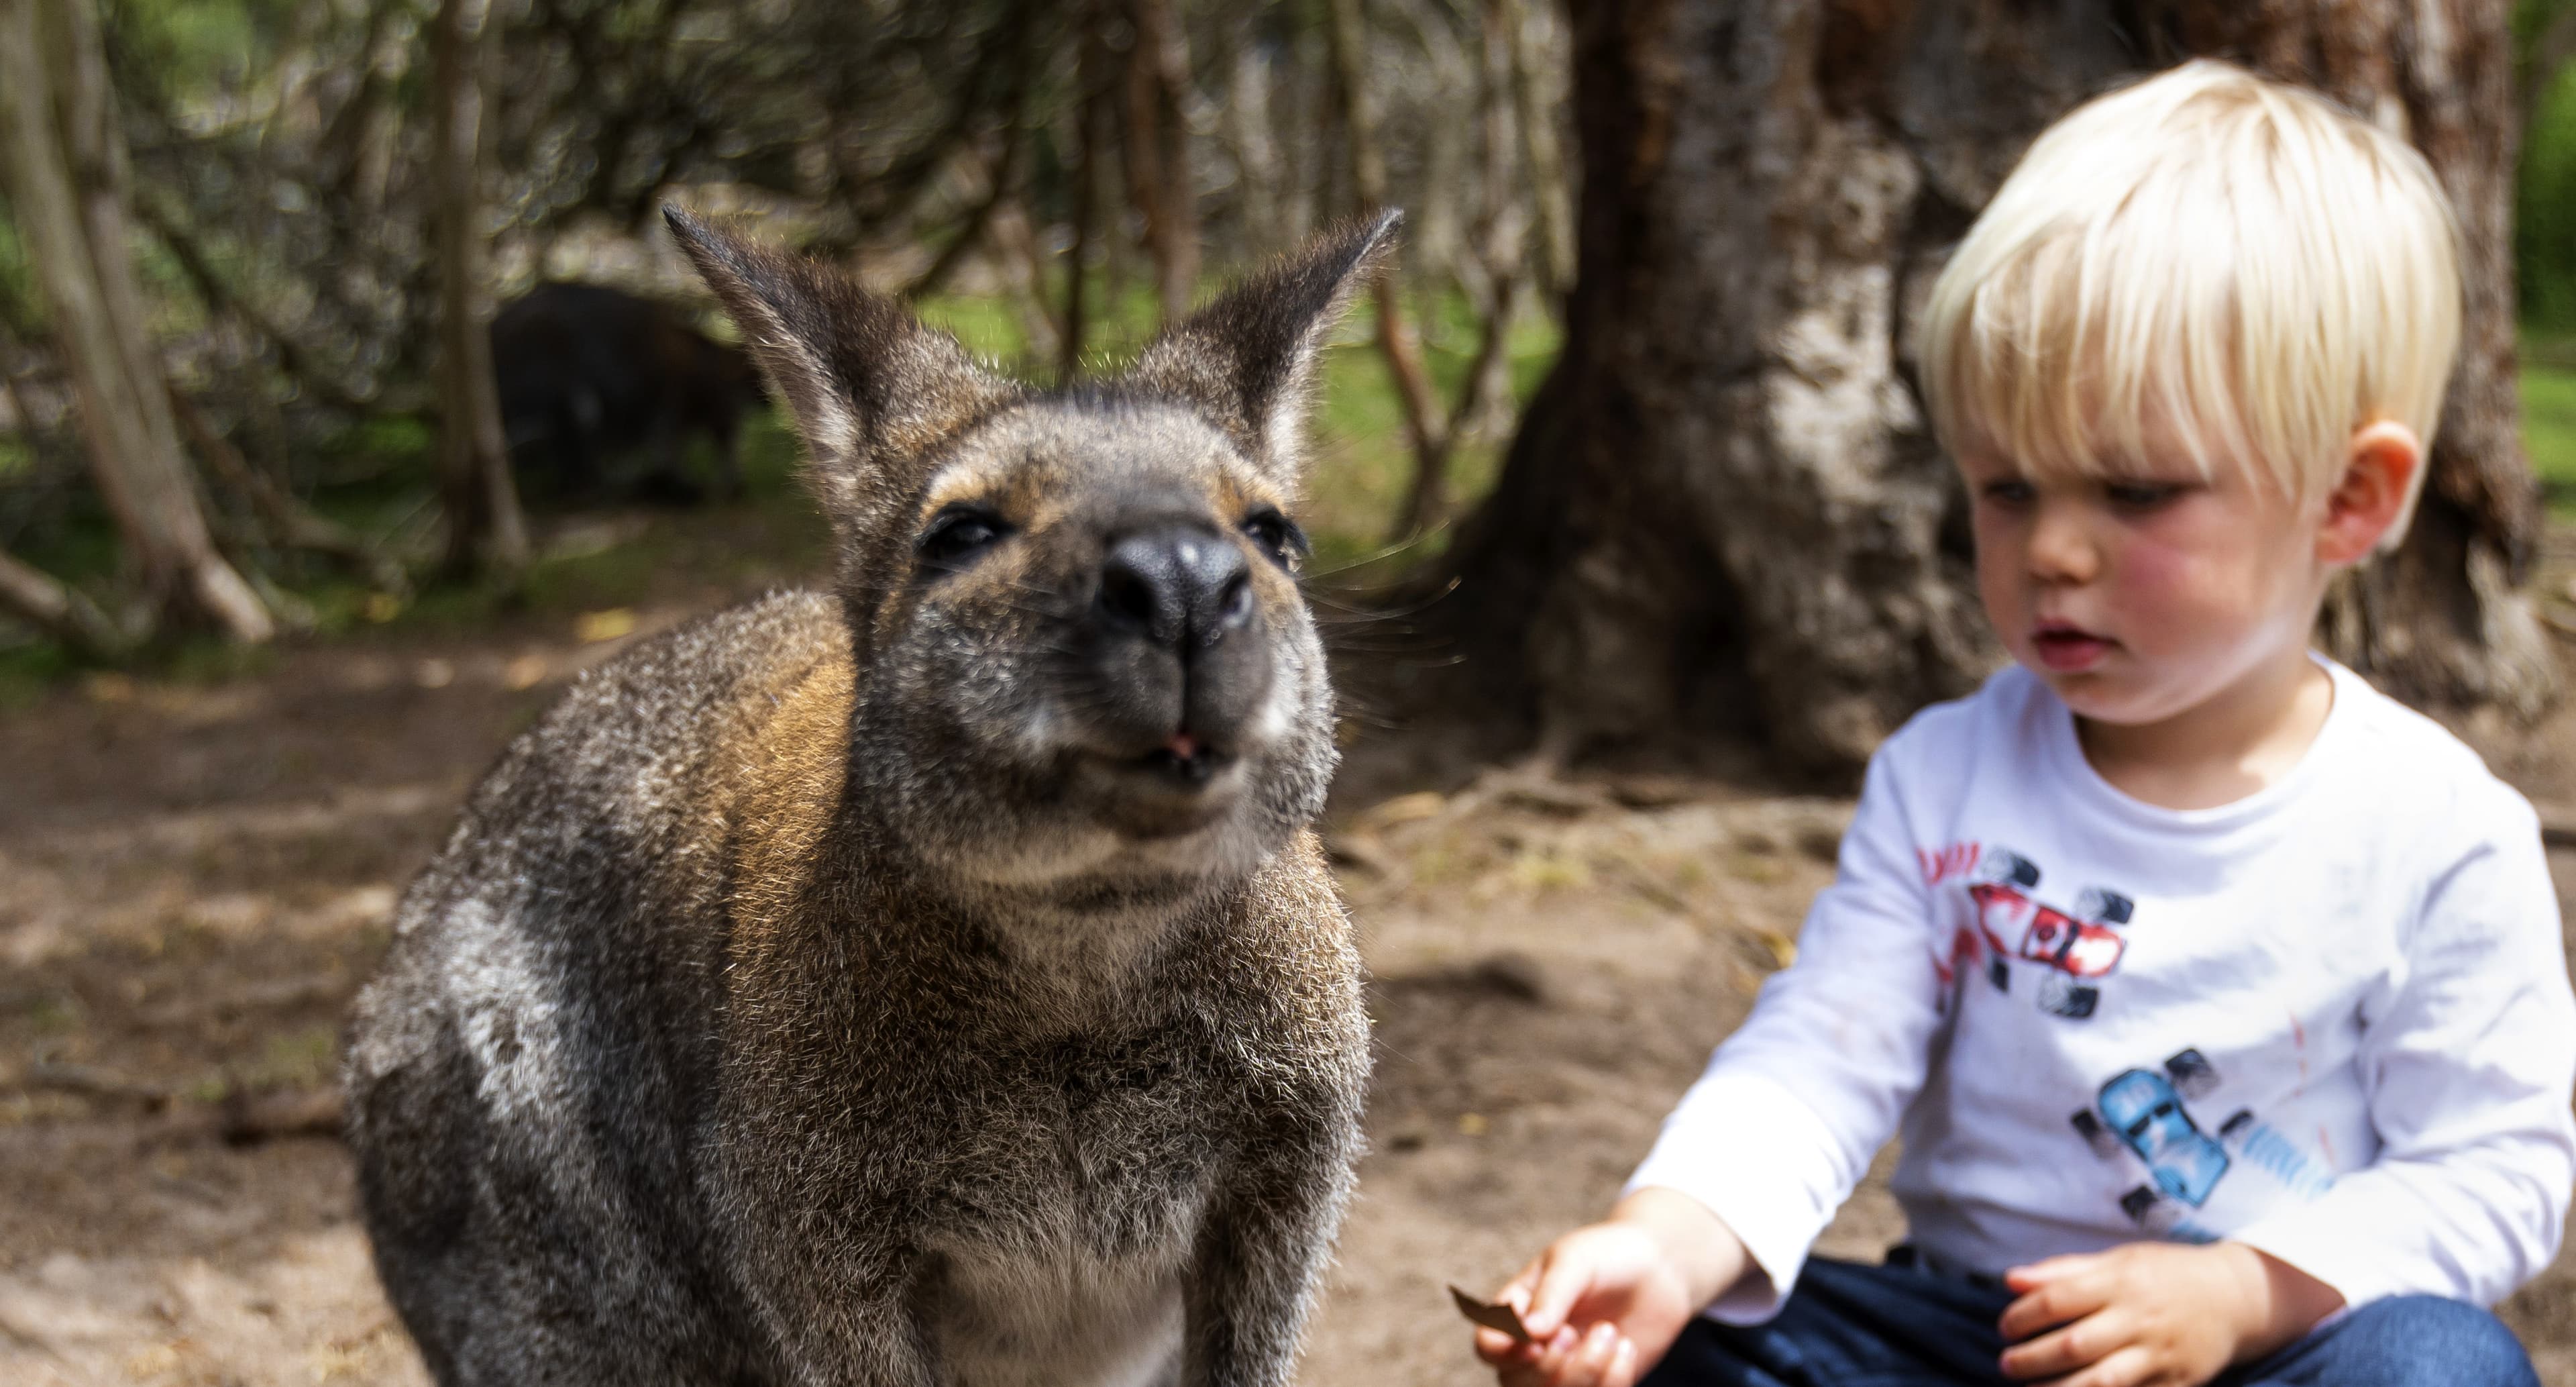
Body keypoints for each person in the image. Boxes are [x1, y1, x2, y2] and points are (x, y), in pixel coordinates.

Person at [1473, 59, 2576, 1387]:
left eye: (2134, 489)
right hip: (1978, 1340)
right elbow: (1822, 1052)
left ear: (2348, 497)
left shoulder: (2438, 828)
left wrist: (2242, 1290)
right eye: (2006, 487)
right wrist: (1671, 1233)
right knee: (1682, 1344)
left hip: (2272, 1346)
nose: (2052, 549)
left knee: (2438, 1363)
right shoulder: (1946, 780)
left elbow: (2496, 1168)